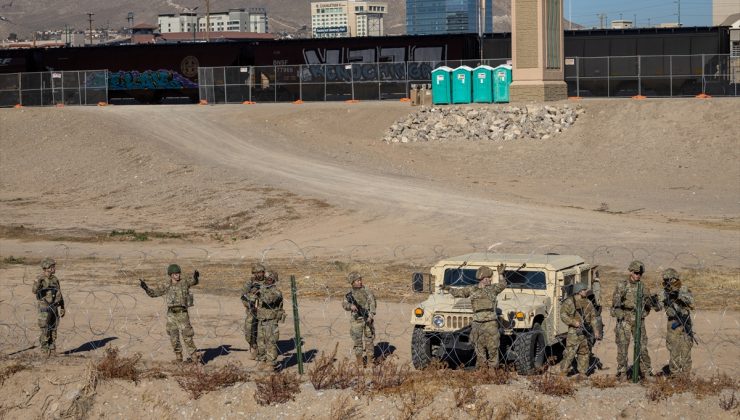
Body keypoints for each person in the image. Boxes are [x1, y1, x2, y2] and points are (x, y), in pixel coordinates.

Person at [445, 264, 507, 369]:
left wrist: (501, 274)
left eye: (489, 278)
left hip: (490, 323)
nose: (489, 280)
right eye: (486, 278)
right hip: (477, 324)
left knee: (493, 349)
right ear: (481, 279)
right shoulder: (472, 289)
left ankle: (493, 373)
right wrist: (447, 288)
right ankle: (482, 372)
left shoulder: (493, 289)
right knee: (479, 349)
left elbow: (503, 285)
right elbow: (458, 293)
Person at [611, 260, 662, 379]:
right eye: (636, 273)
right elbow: (615, 306)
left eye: (640, 274)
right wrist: (621, 315)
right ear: (631, 272)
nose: (638, 275)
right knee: (623, 347)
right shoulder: (622, 285)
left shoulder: (643, 287)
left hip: (639, 320)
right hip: (625, 320)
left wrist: (653, 302)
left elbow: (652, 305)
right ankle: (622, 372)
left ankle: (646, 372)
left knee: (642, 347)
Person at [140, 264, 200, 363]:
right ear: (171, 275)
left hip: (182, 314)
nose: (178, 275)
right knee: (173, 336)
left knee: (187, 336)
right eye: (175, 274)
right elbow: (154, 294)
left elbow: (194, 282)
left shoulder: (184, 282)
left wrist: (196, 277)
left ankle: (194, 358)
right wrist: (146, 288)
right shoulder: (166, 285)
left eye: (179, 273)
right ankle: (178, 358)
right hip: (171, 315)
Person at [559, 283, 600, 376]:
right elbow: (563, 315)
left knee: (584, 352)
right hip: (574, 331)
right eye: (584, 290)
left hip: (586, 331)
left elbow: (593, 317)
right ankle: (563, 372)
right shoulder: (569, 302)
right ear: (578, 291)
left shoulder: (588, 302)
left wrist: (596, 330)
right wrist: (573, 322)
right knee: (570, 352)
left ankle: (582, 373)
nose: (586, 291)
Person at [661, 268, 695, 376]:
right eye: (666, 280)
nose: (669, 282)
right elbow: (657, 306)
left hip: (685, 323)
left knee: (686, 351)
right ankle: (675, 375)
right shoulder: (664, 293)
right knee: (674, 350)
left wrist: (679, 296)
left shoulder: (684, 289)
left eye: (671, 280)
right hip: (673, 324)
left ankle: (685, 375)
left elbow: (692, 303)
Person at [342, 271, 376, 368]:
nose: (360, 282)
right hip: (356, 321)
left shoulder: (367, 291)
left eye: (360, 280)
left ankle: (370, 362)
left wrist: (371, 316)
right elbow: (344, 304)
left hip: (367, 319)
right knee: (358, 342)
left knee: (369, 341)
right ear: (352, 282)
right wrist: (350, 306)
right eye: (357, 281)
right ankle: (360, 363)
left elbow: (372, 303)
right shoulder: (349, 294)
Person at [252, 270, 284, 371]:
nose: (267, 281)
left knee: (271, 342)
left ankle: (271, 363)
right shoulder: (262, 289)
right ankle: (263, 360)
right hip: (261, 320)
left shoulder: (276, 292)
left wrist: (259, 292)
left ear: (273, 280)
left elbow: (269, 300)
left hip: (271, 321)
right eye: (266, 279)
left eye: (269, 279)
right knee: (261, 342)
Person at [32, 258, 65, 355]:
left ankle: (52, 347)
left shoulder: (55, 279)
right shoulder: (40, 279)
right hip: (44, 308)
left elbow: (59, 293)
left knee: (53, 328)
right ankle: (44, 349)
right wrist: (39, 281)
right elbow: (34, 291)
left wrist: (62, 306)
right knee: (44, 328)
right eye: (52, 266)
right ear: (47, 268)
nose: (54, 268)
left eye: (54, 266)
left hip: (54, 307)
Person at [241, 263, 265, 360]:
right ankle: (254, 346)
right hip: (252, 311)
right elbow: (243, 296)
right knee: (249, 331)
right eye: (257, 273)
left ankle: (259, 351)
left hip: (263, 311)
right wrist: (250, 304)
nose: (259, 274)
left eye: (261, 272)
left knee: (261, 333)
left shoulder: (268, 282)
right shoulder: (249, 283)